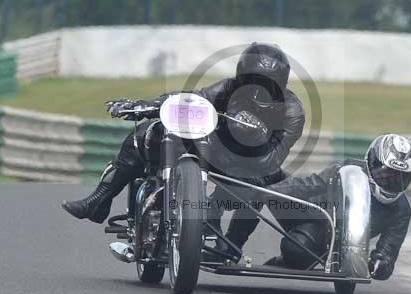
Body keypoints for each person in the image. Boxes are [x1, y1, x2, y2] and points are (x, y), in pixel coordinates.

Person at [61, 43, 306, 245]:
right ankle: (99, 201)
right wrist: (146, 105)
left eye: (267, 82)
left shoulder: (292, 112)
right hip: (216, 151)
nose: (258, 88)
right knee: (148, 133)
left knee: (265, 182)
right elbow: (194, 99)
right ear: (242, 76)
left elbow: (272, 161)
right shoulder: (229, 88)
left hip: (252, 167)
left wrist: (253, 137)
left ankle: (230, 244)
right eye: (252, 79)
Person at [230, 134, 411, 281]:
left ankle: (283, 260)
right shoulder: (346, 171)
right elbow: (308, 186)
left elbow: (388, 252)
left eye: (399, 177)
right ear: (371, 163)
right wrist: (266, 192)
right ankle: (230, 247)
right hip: (308, 211)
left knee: (296, 251)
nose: (390, 181)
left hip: (324, 241)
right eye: (385, 174)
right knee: (262, 176)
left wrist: (380, 264)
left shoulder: (401, 210)